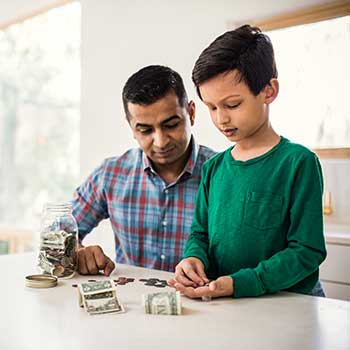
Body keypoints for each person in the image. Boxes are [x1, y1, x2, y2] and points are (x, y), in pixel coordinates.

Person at [168, 25, 327, 299]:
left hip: (287, 305)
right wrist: (193, 259)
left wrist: (241, 282)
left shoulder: (298, 163)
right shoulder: (213, 169)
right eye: (212, 107)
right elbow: (200, 234)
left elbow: (307, 251)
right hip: (226, 303)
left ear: (269, 91)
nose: (221, 119)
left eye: (232, 105)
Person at [72, 65, 215, 276]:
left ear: (191, 113)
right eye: (145, 130)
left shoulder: (222, 174)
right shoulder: (110, 174)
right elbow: (58, 233)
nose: (160, 141)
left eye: (171, 124)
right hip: (131, 305)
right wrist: (78, 250)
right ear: (131, 126)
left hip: (207, 305)